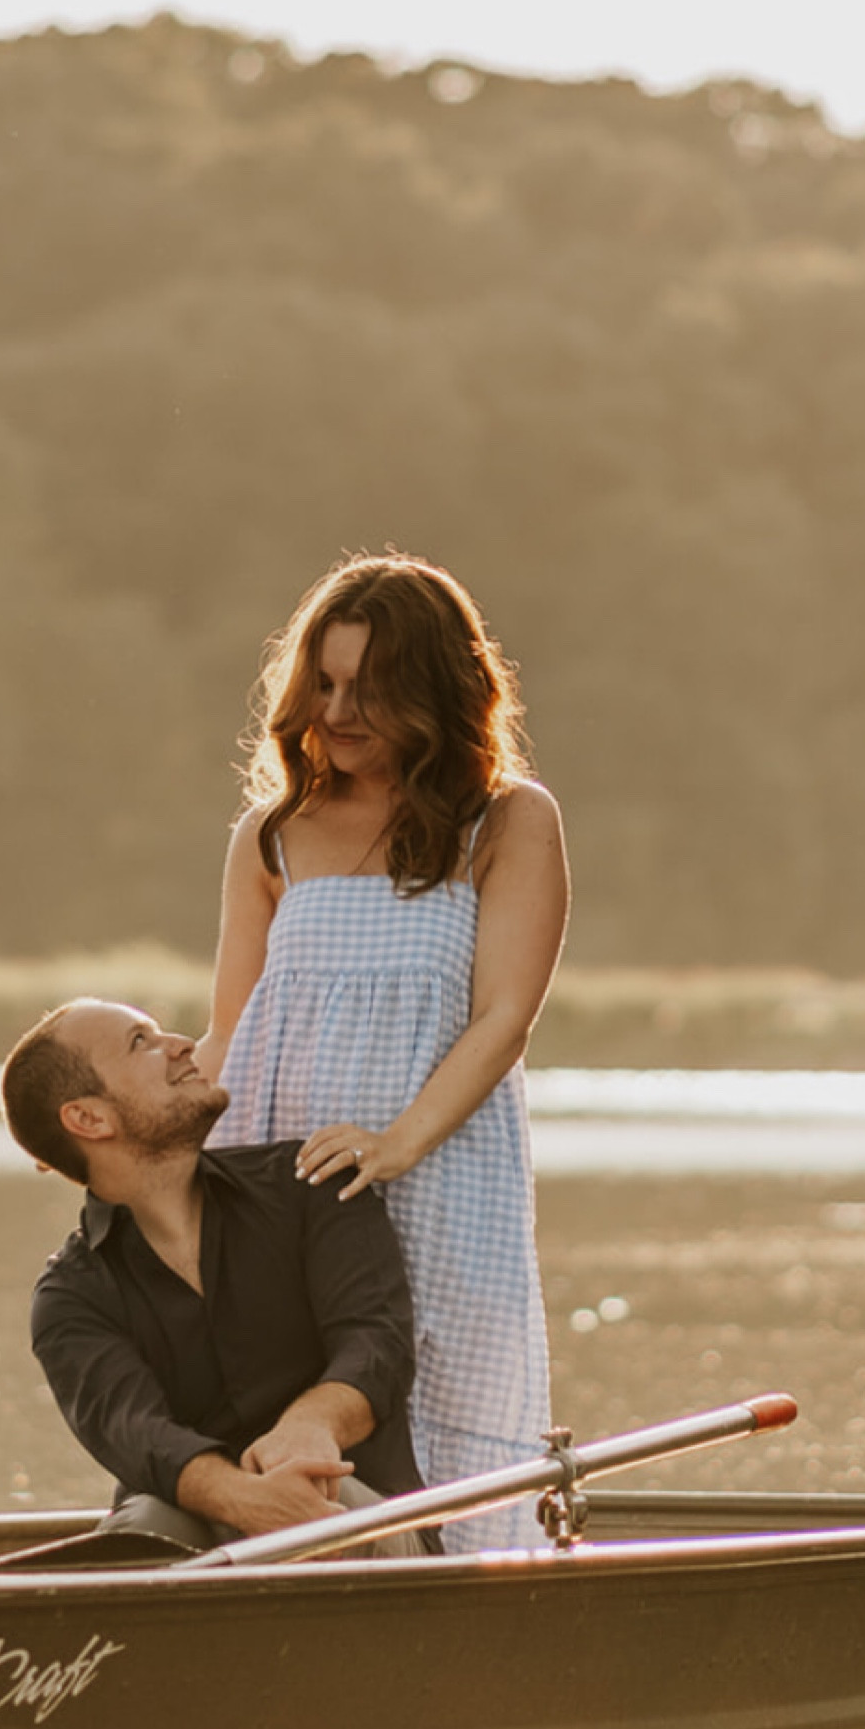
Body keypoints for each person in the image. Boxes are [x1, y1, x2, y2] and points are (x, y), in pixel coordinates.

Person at [194, 552, 569, 1553]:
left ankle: (463, 1609)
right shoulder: (270, 835)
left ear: (439, 689)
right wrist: (151, 1160)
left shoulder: (508, 820)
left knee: (441, 1405)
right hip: (290, 1175)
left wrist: (398, 1144)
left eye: (371, 684)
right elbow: (229, 1029)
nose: (340, 707)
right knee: (289, 1394)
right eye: (325, 680)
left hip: (438, 1168)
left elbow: (503, 1018)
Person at [0, 997, 435, 1553]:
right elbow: (137, 1434)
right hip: (189, 1536)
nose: (181, 1045)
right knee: (148, 1529)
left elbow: (378, 1343)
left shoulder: (311, 1185)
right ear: (89, 1118)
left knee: (327, 1502)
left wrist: (311, 1425)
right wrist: (244, 1499)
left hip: (359, 1522)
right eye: (141, 1043)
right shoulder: (69, 1298)